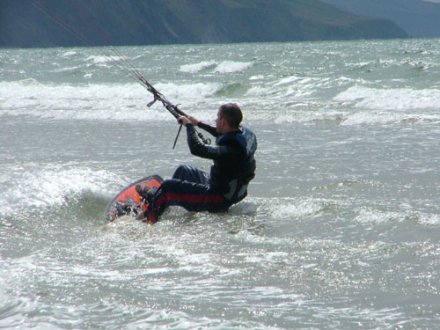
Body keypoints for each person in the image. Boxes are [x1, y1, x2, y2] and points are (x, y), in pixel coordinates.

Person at [136, 103, 257, 224]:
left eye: (218, 117)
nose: (215, 119)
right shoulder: (241, 135)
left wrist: (189, 126)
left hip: (218, 200)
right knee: (183, 171)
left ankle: (146, 218)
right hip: (229, 191)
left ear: (223, 121)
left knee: (168, 187)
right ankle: (160, 202)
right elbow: (222, 133)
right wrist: (198, 123)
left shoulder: (231, 150)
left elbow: (197, 148)